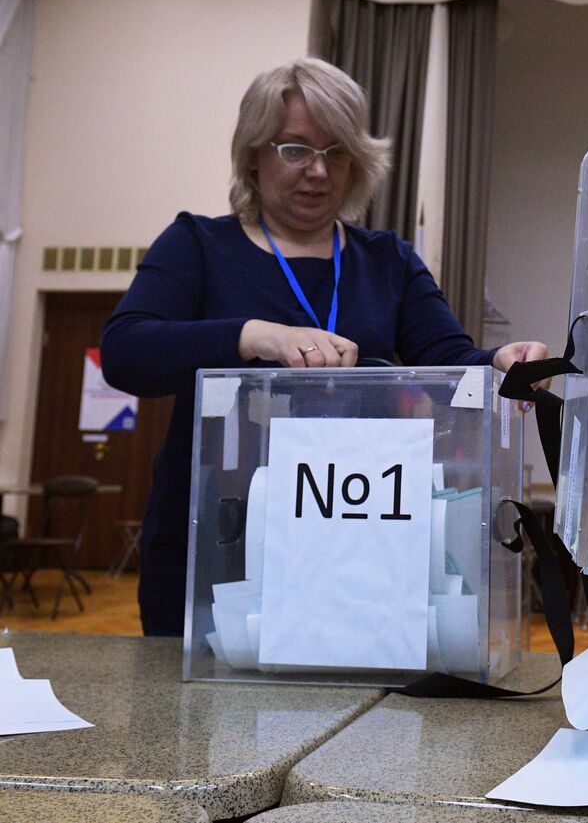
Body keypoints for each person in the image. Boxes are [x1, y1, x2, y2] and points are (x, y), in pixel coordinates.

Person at [102, 58, 548, 637]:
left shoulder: (388, 261)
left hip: (360, 549)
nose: (318, 171)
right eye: (295, 150)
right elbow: (125, 350)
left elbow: (449, 358)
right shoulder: (198, 245)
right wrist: (255, 336)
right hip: (217, 550)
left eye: (336, 152)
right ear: (252, 155)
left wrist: (499, 363)